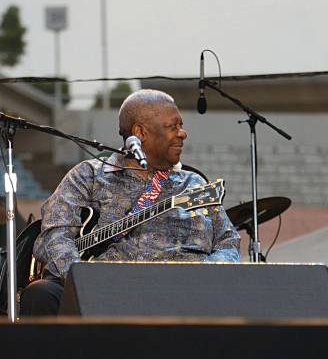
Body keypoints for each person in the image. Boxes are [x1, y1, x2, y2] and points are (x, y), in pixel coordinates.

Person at [20, 89, 240, 315]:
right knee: (41, 294)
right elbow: (55, 234)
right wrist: (85, 280)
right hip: (105, 290)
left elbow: (228, 241)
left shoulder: (194, 184)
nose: (182, 133)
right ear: (140, 132)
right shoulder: (89, 176)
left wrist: (205, 274)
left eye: (181, 126)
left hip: (181, 293)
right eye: (172, 126)